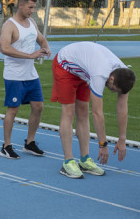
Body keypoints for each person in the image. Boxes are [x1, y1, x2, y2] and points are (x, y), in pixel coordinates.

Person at [51, 41, 135, 179]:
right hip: (65, 65)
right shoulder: (99, 75)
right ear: (112, 78)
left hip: (84, 68)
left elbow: (122, 109)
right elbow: (97, 113)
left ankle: (84, 160)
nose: (112, 92)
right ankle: (68, 162)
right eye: (113, 89)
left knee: (83, 111)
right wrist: (103, 144)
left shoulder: (125, 74)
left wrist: (122, 138)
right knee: (69, 111)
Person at [0, 0, 51, 159]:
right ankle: (6, 146)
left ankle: (30, 142)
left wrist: (46, 47)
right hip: (14, 76)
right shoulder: (9, 25)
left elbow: (41, 39)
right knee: (13, 110)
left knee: (38, 106)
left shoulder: (32, 22)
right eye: (30, 7)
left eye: (34, 8)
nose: (32, 11)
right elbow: (5, 48)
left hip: (30, 75)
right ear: (20, 5)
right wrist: (30, 56)